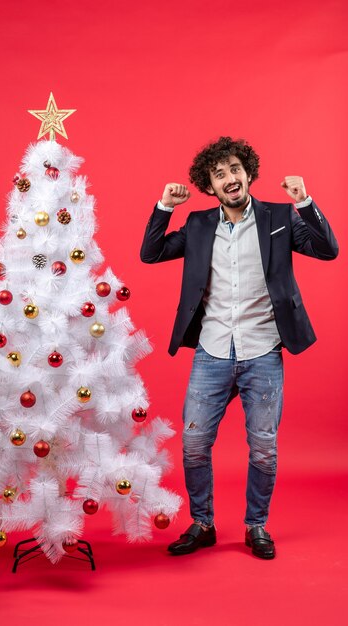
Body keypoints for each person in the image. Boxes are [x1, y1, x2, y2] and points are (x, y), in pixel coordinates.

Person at [140, 136, 338, 559]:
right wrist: (165, 207)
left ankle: (256, 526)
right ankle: (203, 523)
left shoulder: (280, 218)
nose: (229, 178)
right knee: (194, 443)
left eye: (235, 169)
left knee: (263, 446)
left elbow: (328, 249)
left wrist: (304, 201)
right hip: (212, 350)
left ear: (248, 173)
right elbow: (150, 253)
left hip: (263, 349)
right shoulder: (198, 225)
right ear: (209, 186)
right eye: (219, 174)